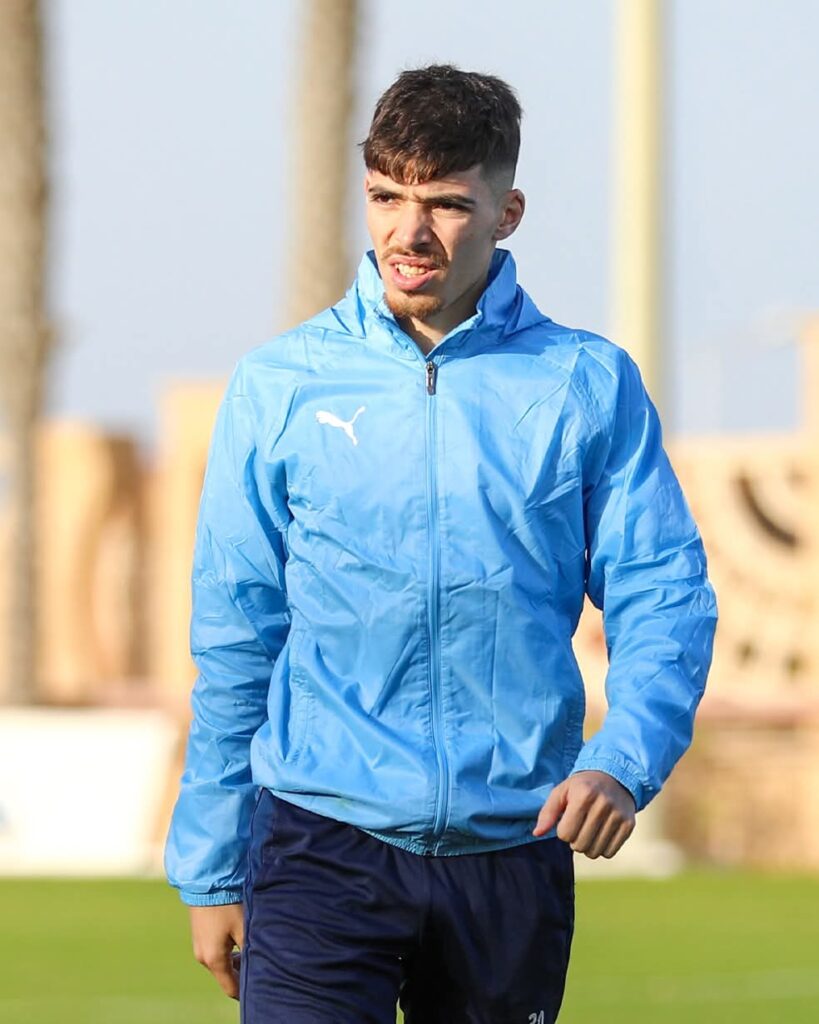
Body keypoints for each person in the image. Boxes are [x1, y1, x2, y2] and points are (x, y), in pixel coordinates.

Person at [164, 64, 718, 1023]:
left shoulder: (585, 383)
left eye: (447, 205)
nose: (407, 233)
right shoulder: (280, 384)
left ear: (507, 213)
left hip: (511, 850)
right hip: (318, 845)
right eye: (386, 197)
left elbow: (661, 594)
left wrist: (622, 760)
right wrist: (211, 863)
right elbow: (236, 634)